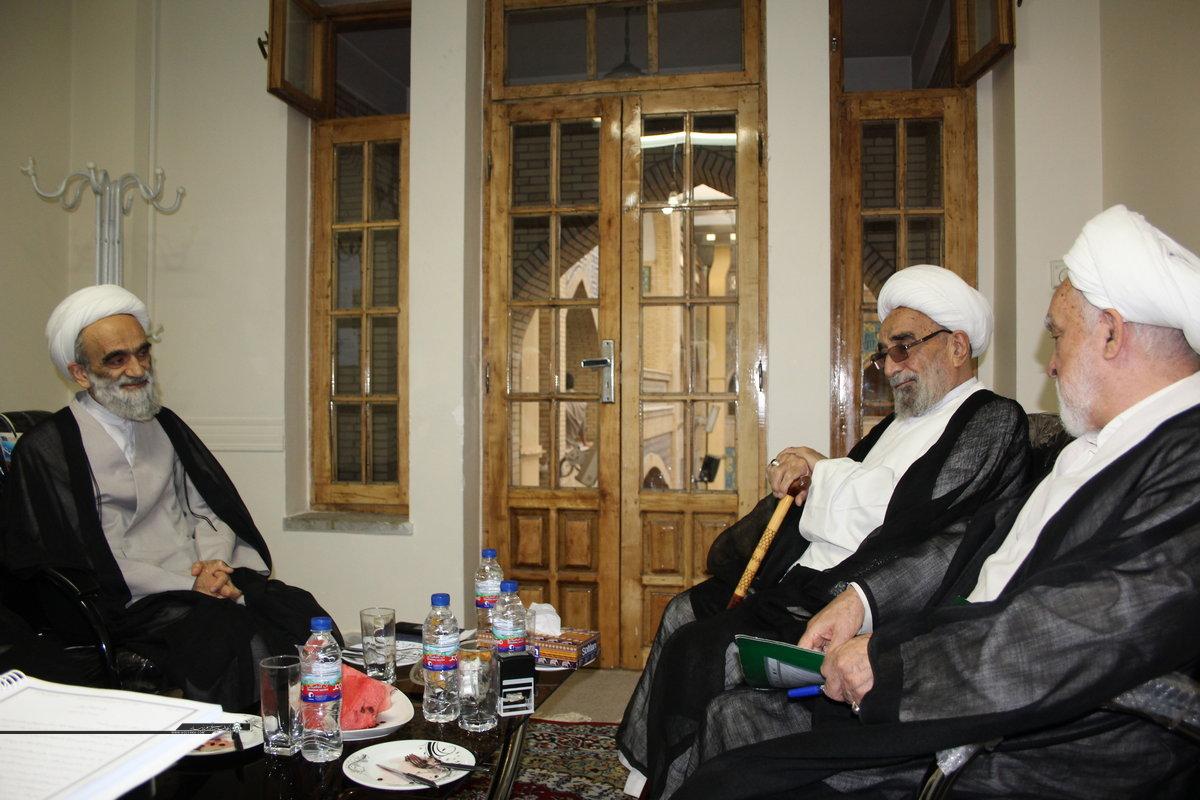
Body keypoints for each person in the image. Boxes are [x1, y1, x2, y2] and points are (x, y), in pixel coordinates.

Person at [672, 205, 1200, 799]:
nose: (1050, 363)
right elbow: (967, 546)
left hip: (1037, 743)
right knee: (731, 721)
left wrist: (894, 664)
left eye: (1057, 335)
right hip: (959, 672)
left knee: (732, 778)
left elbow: (1087, 625)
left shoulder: (1187, 460)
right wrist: (862, 603)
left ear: (1112, 332)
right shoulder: (1100, 446)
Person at [619, 266, 1033, 798]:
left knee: (702, 650)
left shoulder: (992, 419)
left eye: (903, 347)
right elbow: (849, 498)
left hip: (857, 597)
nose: (891, 366)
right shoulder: (896, 426)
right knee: (683, 611)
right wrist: (812, 476)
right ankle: (648, 775)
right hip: (806, 579)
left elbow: (909, 516)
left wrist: (822, 468)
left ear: (957, 346)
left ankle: (674, 785)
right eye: (884, 354)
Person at [0, 285, 338, 709]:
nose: (137, 368)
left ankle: (319, 727)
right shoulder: (49, 449)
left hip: (197, 577)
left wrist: (215, 566)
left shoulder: (164, 424)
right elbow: (79, 557)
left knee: (297, 611)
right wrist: (187, 585)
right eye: (117, 359)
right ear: (80, 373)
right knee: (230, 637)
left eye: (142, 353)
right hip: (127, 596)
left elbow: (208, 509)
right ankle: (244, 743)